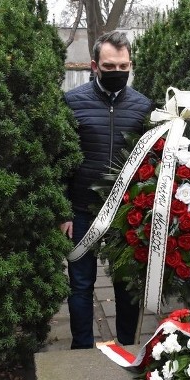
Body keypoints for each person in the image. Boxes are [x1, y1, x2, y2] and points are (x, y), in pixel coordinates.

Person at [62, 31, 153, 349]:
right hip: (82, 211)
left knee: (127, 286)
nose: (118, 72)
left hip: (126, 214)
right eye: (110, 66)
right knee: (82, 285)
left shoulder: (143, 106)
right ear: (94, 65)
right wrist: (63, 211)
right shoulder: (72, 102)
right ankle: (82, 349)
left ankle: (127, 346)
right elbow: (59, 160)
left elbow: (151, 164)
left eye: (124, 65)